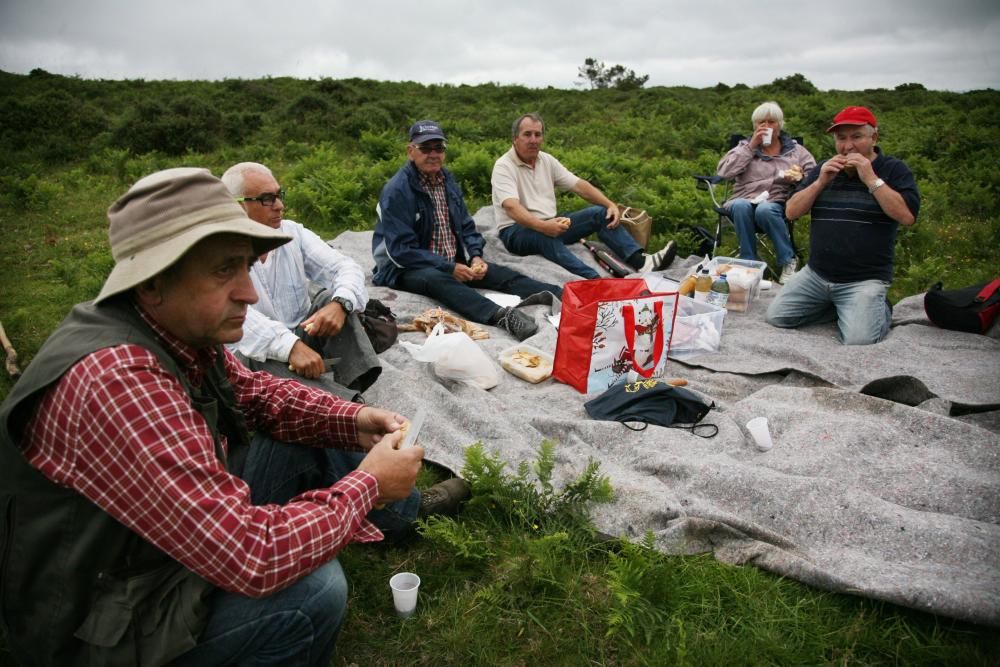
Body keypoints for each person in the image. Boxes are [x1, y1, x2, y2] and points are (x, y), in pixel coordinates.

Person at [0, 168, 467, 666]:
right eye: (225, 271)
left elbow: (258, 394)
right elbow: (254, 556)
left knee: (302, 419)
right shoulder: (118, 380)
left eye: (248, 267)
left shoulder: (167, 328)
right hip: (96, 619)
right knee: (312, 591)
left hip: (141, 553)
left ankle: (401, 517)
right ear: (155, 282)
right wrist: (368, 486)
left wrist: (351, 420)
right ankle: (383, 516)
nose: (248, 292)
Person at [374, 119, 564, 341]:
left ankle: (560, 294)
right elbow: (401, 251)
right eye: (425, 148)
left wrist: (475, 256)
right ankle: (500, 315)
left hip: (449, 260)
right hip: (403, 268)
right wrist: (449, 267)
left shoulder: (446, 180)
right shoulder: (397, 190)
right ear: (410, 151)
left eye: (439, 148)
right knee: (437, 280)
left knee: (501, 274)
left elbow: (466, 225)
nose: (433, 154)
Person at [222, 161, 380, 400]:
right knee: (251, 359)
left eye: (279, 196)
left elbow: (346, 267)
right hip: (255, 350)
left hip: (300, 334)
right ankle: (349, 406)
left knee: (332, 299)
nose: (279, 206)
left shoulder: (291, 233)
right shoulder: (219, 251)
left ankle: (352, 385)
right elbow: (238, 317)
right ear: (237, 206)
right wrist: (289, 347)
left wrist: (340, 304)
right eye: (267, 199)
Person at [766, 106, 920, 345]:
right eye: (841, 138)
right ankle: (842, 307)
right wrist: (820, 182)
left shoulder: (893, 170)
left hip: (865, 279)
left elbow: (907, 216)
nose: (848, 146)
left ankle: (876, 309)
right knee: (777, 317)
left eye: (856, 137)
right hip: (817, 274)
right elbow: (791, 211)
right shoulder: (825, 169)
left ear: (874, 138)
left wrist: (870, 178)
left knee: (858, 341)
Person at [491, 113, 676, 280]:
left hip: (550, 222)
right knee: (544, 237)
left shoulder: (546, 160)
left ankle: (642, 262)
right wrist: (543, 226)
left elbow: (580, 186)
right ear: (515, 138)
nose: (533, 140)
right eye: (527, 134)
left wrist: (610, 204)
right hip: (516, 231)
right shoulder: (503, 166)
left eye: (538, 135)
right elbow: (511, 208)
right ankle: (594, 279)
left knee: (600, 213)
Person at [716, 101, 816, 284]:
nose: (766, 127)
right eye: (761, 123)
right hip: (743, 198)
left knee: (765, 209)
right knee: (740, 205)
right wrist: (751, 146)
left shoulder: (796, 151)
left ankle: (788, 261)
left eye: (772, 122)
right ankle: (750, 264)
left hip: (777, 201)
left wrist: (800, 176)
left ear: (780, 125)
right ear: (754, 126)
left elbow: (813, 174)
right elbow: (724, 172)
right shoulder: (744, 147)